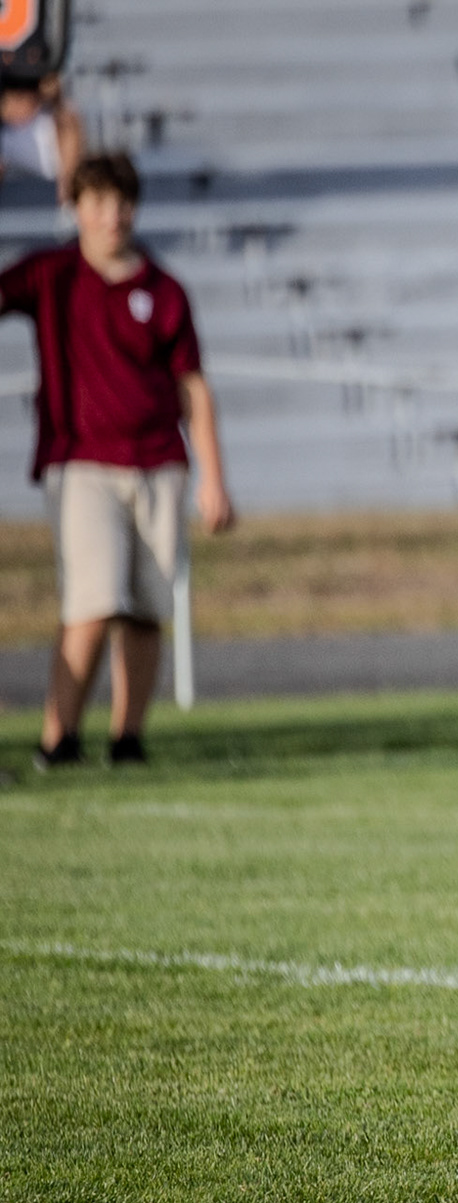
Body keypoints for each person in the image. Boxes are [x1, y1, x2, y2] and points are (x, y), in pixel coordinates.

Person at [2, 150, 235, 771]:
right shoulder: (50, 276)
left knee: (145, 608)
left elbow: (193, 387)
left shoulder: (163, 290)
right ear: (75, 207)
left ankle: (127, 739)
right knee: (93, 599)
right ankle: (59, 738)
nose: (114, 215)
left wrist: (214, 478)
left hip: (159, 463)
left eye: (123, 201)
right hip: (81, 463)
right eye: (100, 201)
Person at [0, 74, 85, 202]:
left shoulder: (53, 119)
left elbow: (69, 126)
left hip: (57, 183)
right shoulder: (5, 133)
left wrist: (66, 183)